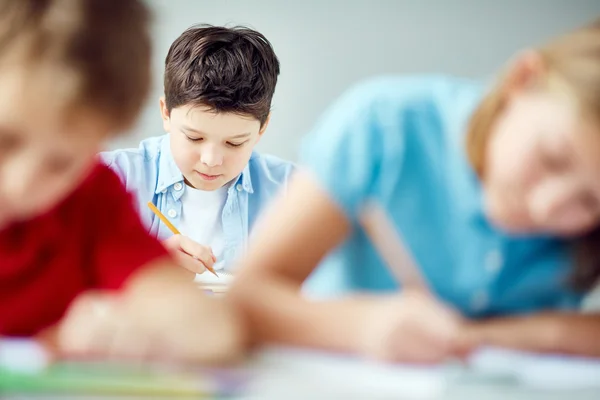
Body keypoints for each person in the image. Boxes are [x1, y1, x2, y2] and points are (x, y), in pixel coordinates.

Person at [230, 19, 600, 362]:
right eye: (553, 158)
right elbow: (246, 296)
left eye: (590, 202)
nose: (547, 207)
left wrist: (501, 335)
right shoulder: (386, 127)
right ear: (522, 80)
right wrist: (362, 327)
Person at [0, 0, 242, 363]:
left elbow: (210, 327)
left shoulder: (91, 197)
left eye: (61, 163)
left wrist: (141, 328)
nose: (19, 185)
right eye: (5, 140)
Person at [101, 25, 294, 275]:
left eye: (234, 143)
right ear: (166, 113)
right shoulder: (110, 178)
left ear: (262, 128)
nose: (211, 160)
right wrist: (142, 260)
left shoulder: (292, 190)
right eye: (194, 137)